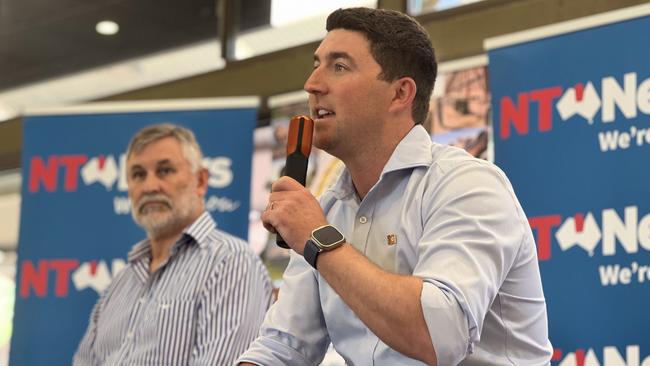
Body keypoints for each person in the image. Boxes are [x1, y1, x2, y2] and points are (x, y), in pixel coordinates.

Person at [238, 7, 552, 366]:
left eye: (339, 66)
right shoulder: (326, 211)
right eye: (316, 64)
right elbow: (282, 349)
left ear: (400, 93)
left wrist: (317, 238)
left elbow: (438, 335)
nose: (312, 85)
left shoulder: (467, 184)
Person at [73, 123, 271, 365]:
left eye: (164, 171)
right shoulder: (120, 284)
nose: (149, 186)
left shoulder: (232, 262)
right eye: (138, 175)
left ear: (200, 181)